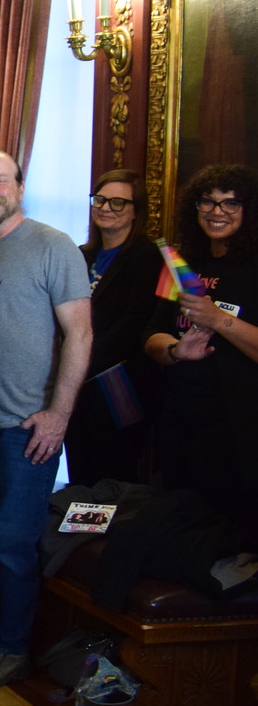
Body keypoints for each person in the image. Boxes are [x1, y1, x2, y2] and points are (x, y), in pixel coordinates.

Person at [0, 150, 91, 689]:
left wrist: (59, 414)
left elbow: (80, 335)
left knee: (12, 541)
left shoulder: (52, 246)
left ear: (18, 186)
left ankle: (10, 647)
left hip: (25, 425)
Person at [145, 164, 258, 535]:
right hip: (180, 416)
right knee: (181, 521)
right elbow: (151, 336)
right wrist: (177, 352)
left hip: (237, 427)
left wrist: (216, 318)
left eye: (230, 204)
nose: (216, 211)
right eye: (208, 202)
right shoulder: (181, 262)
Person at [66, 169, 160, 485]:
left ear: (136, 211)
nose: (106, 208)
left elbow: (133, 325)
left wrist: (76, 360)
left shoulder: (147, 256)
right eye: (101, 199)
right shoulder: (82, 254)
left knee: (113, 476)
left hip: (121, 384)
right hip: (78, 384)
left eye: (119, 202)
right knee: (80, 470)